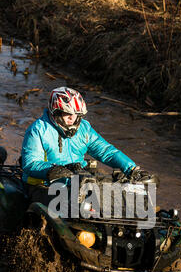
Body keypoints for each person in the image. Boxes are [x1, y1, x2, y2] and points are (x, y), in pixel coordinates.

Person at [21, 87, 155, 205]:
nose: (72, 118)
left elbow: (106, 151)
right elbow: (30, 164)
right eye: (68, 114)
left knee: (123, 192)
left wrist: (131, 169)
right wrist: (55, 170)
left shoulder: (84, 128)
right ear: (55, 112)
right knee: (81, 205)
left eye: (76, 114)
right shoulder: (38, 130)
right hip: (44, 185)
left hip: (78, 179)